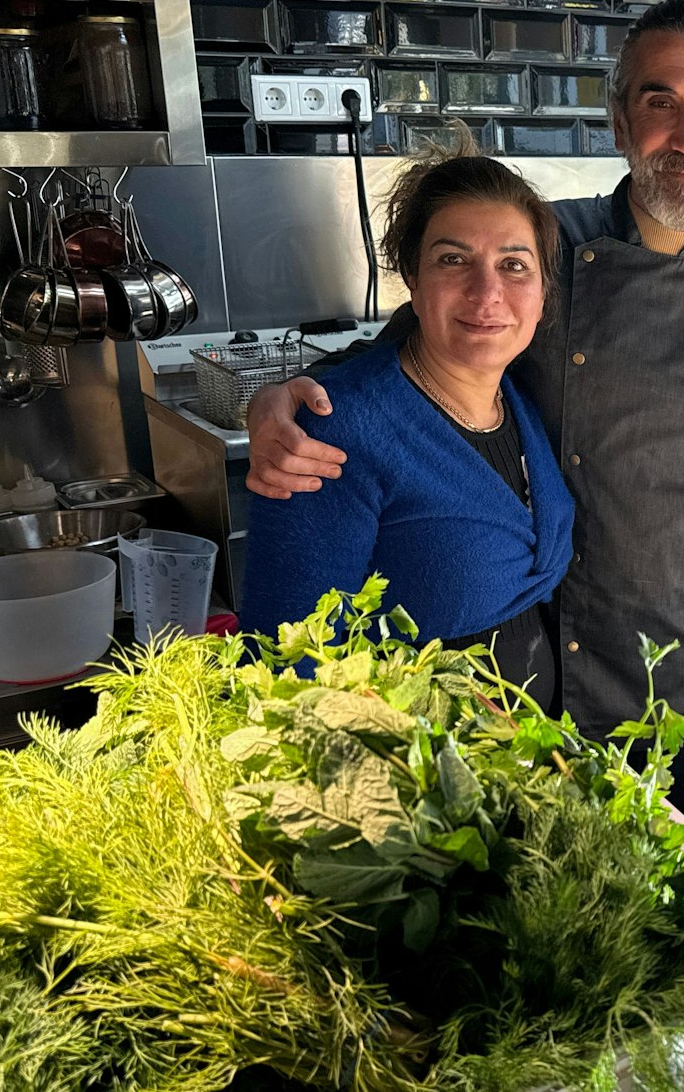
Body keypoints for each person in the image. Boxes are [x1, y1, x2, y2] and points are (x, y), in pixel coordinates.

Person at [241, 0, 684, 812]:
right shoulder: (540, 249)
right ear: (618, 121)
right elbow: (412, 352)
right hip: (555, 697)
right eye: (660, 103)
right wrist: (278, 403)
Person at [240, 152, 574, 708]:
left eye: (514, 265)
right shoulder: (334, 434)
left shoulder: (519, 399)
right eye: (453, 260)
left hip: (529, 758)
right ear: (413, 283)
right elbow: (285, 664)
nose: (486, 292)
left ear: (542, 291)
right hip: (410, 777)